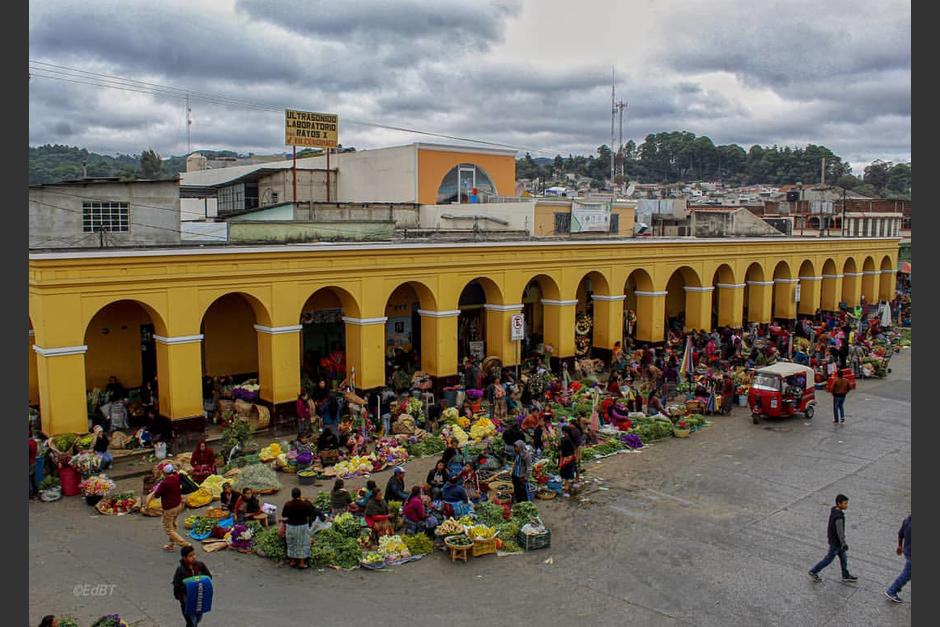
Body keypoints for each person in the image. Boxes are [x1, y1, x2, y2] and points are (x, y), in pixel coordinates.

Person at [808, 494, 858, 583]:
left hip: (835, 542)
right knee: (828, 559)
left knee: (844, 558)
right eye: (845, 503)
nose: (847, 505)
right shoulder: (838, 517)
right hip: (836, 543)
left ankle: (845, 575)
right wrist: (844, 544)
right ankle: (813, 571)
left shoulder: (834, 510)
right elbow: (840, 532)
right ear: (839, 503)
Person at [148, 464, 190, 552]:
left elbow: (157, 495)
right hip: (178, 505)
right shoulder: (176, 476)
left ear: (164, 473)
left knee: (168, 529)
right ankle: (171, 544)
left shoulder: (166, 483)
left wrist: (151, 495)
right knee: (173, 524)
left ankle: (185, 545)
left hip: (170, 508)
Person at [282, 487, 323, 569]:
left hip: (291, 526)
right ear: (300, 495)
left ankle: (293, 561)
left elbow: (284, 515)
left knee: (292, 543)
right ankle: (301, 563)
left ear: (292, 495)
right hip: (302, 527)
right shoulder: (305, 504)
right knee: (303, 544)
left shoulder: (288, 504)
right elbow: (311, 513)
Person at [172, 545, 212, 627]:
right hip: (187, 599)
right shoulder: (180, 570)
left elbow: (208, 577)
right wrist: (182, 597)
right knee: (191, 621)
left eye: (194, 554)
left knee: (198, 618)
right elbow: (177, 585)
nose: (193, 557)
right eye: (190, 556)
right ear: (184, 558)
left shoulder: (200, 565)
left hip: (199, 597)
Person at [884, 514, 911, 603]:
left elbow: (900, 534)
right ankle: (892, 591)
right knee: (906, 574)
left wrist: (899, 546)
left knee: (908, 573)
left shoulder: (907, 520)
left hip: (907, 552)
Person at [558, 425, 577, 497]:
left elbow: (561, 447)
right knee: (569, 470)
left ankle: (566, 486)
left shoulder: (564, 439)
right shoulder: (571, 438)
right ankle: (568, 483)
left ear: (564, 431)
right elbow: (573, 448)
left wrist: (556, 445)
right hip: (571, 457)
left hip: (566, 457)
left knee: (565, 471)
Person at [29, 428, 38, 499]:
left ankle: (31, 494)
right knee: (33, 478)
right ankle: (35, 492)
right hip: (33, 462)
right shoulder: (34, 442)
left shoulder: (28, 444)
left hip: (29, 463)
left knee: (29, 480)